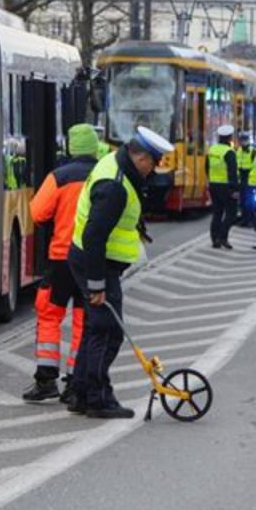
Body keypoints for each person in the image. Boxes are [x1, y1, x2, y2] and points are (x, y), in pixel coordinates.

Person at [68, 125, 173, 419]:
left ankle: (79, 393)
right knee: (107, 331)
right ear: (141, 159)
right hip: (95, 263)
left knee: (94, 328)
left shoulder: (117, 163)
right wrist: (97, 284)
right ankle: (98, 399)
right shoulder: (114, 185)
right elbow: (94, 236)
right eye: (153, 164)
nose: (153, 171)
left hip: (94, 260)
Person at [22, 124, 99, 403]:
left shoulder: (60, 177)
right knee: (83, 319)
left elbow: (38, 212)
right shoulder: (105, 175)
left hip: (61, 259)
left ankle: (46, 380)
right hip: (93, 260)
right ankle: (75, 382)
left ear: (70, 147)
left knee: (49, 314)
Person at [206, 124, 238, 249]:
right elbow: (232, 172)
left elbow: (207, 168)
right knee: (231, 213)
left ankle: (215, 240)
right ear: (229, 138)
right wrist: (235, 189)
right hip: (226, 186)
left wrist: (210, 180)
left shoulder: (212, 150)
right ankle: (223, 237)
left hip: (213, 185)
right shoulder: (229, 152)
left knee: (217, 213)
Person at [236, 131, 256, 226]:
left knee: (250, 201)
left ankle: (250, 219)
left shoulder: (252, 151)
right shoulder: (238, 150)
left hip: (250, 178)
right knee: (243, 200)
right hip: (241, 177)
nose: (243, 142)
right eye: (242, 140)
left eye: (245, 140)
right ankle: (244, 219)